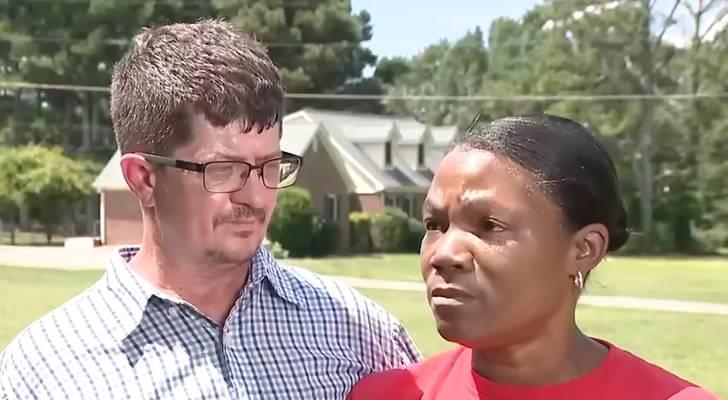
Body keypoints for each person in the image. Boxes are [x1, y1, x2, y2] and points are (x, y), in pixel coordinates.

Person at [0, 19, 420, 399]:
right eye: (224, 170)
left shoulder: (360, 334)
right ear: (143, 179)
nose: (256, 197)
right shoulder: (45, 372)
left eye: (270, 166)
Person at [347, 114, 719, 400]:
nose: (444, 254)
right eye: (434, 225)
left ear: (584, 249)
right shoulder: (386, 395)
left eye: (489, 225)